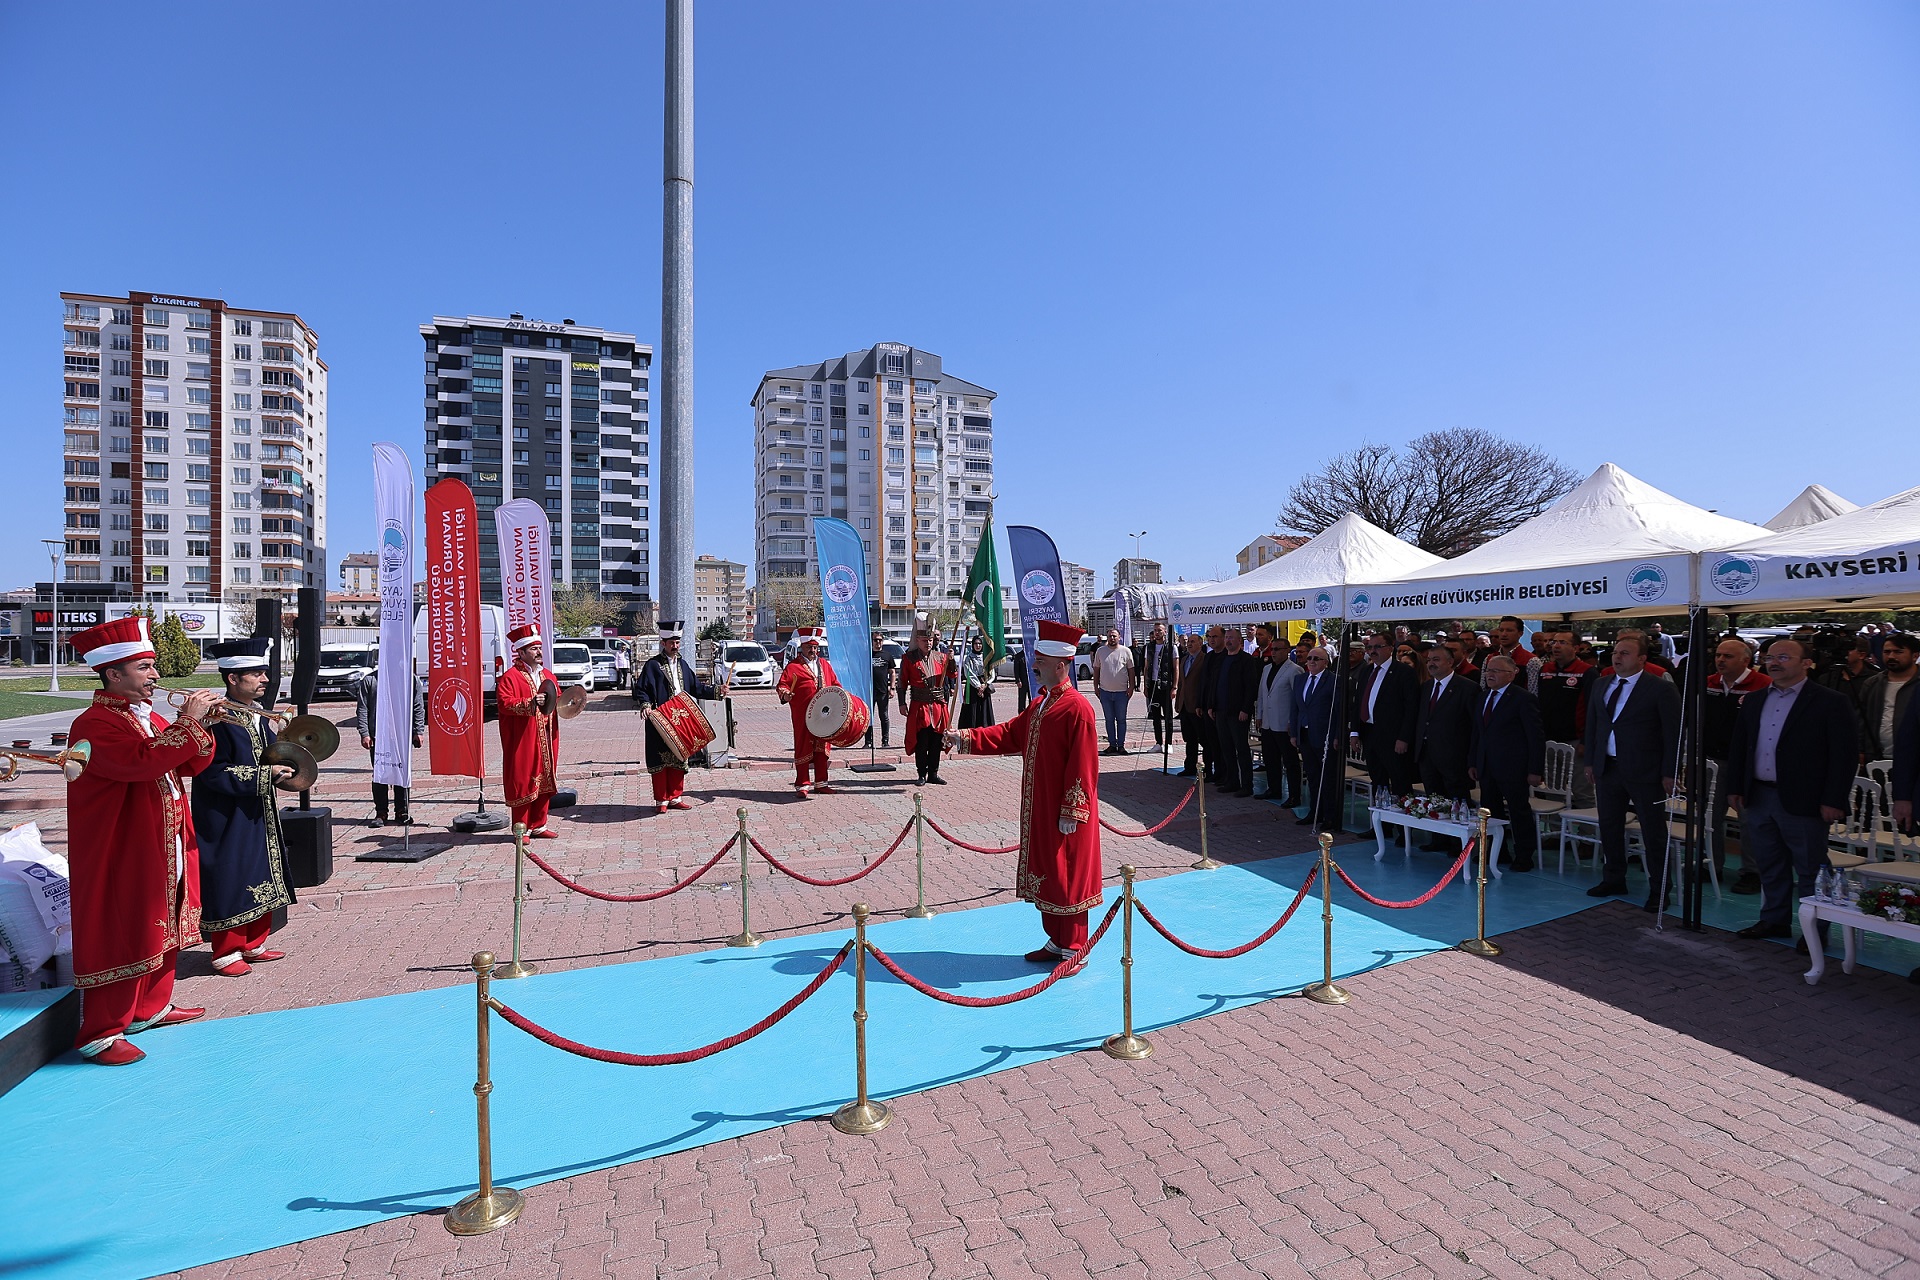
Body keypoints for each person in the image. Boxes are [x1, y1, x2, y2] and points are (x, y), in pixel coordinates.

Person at [64, 616, 218, 1065]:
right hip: (124, 846)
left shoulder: (146, 715)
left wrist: (203, 728)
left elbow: (186, 764)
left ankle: (150, 1008)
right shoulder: (94, 723)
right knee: (124, 929)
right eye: (145, 667)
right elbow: (142, 763)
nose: (155, 675)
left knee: (162, 921)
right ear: (113, 674)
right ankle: (101, 1033)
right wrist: (188, 724)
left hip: (162, 839)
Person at [946, 621, 1101, 968]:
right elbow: (1009, 734)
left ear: (1061, 665)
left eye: (1041, 660)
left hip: (1065, 811)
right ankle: (1057, 940)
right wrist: (964, 737)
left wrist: (1072, 810)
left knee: (1068, 874)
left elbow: (1083, 766)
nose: (1034, 665)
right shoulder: (1041, 703)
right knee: (1049, 872)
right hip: (1041, 805)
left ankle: (1075, 947)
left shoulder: (1077, 708)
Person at [1724, 637, 1856, 941]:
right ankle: (1774, 920)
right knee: (1769, 863)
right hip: (1759, 795)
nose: (1774, 663)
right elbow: (1740, 747)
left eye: (1783, 657)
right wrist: (1736, 786)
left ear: (1806, 663)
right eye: (1770, 657)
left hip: (1805, 798)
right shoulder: (1755, 700)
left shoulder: (1830, 701)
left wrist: (1834, 799)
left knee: (1811, 867)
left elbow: (1844, 756)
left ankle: (1816, 931)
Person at [192, 638, 296, 977]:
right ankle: (226, 951)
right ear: (233, 678)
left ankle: (254, 942)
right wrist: (265, 776)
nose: (265, 679)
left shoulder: (256, 715)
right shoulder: (218, 718)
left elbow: (267, 755)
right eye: (256, 674)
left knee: (260, 870)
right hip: (225, 814)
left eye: (264, 672)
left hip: (255, 808)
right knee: (231, 876)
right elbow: (211, 771)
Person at [1582, 629, 1681, 903]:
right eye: (1615, 652)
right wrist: (1590, 760)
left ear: (1642, 659)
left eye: (1625, 653)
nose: (1617, 657)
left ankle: (1660, 888)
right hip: (1608, 767)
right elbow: (1593, 724)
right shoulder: (1602, 684)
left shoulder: (1660, 688)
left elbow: (1673, 734)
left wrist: (1669, 771)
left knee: (1653, 831)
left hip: (1645, 770)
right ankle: (1614, 878)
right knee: (1610, 826)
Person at [1702, 637, 1770, 894]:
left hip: (1748, 762)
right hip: (1712, 759)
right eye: (1718, 655)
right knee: (1710, 816)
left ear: (1746, 660)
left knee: (1749, 820)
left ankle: (1753, 872)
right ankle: (1711, 864)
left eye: (1727, 656)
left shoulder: (1763, 684)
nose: (1720, 660)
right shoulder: (1708, 683)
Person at [633, 621, 723, 814]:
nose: (675, 646)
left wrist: (717, 691)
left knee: (679, 757)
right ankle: (661, 800)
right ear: (663, 643)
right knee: (660, 760)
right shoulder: (653, 665)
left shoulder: (683, 665)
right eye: (671, 643)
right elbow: (641, 689)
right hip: (659, 719)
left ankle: (675, 798)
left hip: (681, 719)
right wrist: (646, 705)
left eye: (677, 642)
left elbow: (697, 688)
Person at [1470, 654, 1546, 871]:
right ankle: (1497, 852)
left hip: (1513, 766)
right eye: (1488, 670)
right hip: (1487, 765)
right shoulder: (1483, 697)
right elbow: (1477, 733)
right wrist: (1473, 761)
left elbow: (1535, 737)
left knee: (1518, 811)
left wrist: (1535, 769)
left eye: (1496, 671)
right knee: (1490, 811)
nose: (1490, 674)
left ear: (1511, 675)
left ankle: (1524, 855)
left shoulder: (1523, 698)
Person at [497, 622, 561, 837]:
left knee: (546, 779)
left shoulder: (548, 675)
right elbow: (504, 703)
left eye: (539, 648)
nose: (539, 652)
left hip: (546, 738)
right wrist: (530, 703)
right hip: (523, 739)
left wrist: (569, 703)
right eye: (534, 649)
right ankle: (521, 830)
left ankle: (539, 824)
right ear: (521, 652)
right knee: (523, 780)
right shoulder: (510, 677)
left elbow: (557, 699)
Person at [1412, 643, 1476, 850]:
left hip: (1454, 755)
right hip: (1427, 753)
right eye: (1429, 660)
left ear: (1450, 662)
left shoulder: (1467, 688)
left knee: (1457, 799)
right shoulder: (1426, 687)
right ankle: (1438, 839)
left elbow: (1473, 726)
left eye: (1436, 660)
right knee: (1435, 797)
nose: (1431, 664)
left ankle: (1459, 844)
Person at [355, 664, 425, 826]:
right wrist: (364, 733)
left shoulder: (411, 679)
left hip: (402, 736)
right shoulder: (370, 680)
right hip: (378, 736)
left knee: (402, 773)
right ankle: (381, 812)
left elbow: (418, 706)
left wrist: (418, 730)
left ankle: (402, 811)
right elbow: (362, 708)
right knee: (380, 775)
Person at [1351, 630, 1418, 797]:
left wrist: (1404, 738)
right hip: (1369, 733)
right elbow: (1358, 703)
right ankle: (1380, 813)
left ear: (1390, 648)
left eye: (1378, 647)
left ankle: (1403, 813)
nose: (1373, 651)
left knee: (1400, 780)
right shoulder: (1366, 671)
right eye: (1370, 647)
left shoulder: (1404, 672)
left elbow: (1411, 708)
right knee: (1378, 780)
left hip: (1394, 737)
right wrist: (1354, 732)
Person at [776, 626, 841, 797]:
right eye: (809, 647)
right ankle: (802, 784)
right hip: (803, 715)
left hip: (824, 715)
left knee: (822, 748)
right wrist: (786, 694)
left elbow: (835, 684)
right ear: (802, 647)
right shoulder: (793, 667)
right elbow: (782, 685)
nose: (813, 651)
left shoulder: (825, 665)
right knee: (803, 746)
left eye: (815, 647)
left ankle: (821, 783)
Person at [898, 614, 957, 785]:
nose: (928, 643)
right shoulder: (909, 659)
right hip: (920, 706)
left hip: (938, 706)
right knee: (922, 742)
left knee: (937, 742)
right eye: (924, 640)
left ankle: (933, 773)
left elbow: (952, 674)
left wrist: (951, 660)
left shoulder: (941, 657)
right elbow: (902, 682)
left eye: (930, 640)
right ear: (918, 640)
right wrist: (902, 703)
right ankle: (921, 774)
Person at [1203, 627, 1261, 795]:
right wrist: (1211, 705)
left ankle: (1247, 785)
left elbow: (1251, 687)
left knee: (1241, 749)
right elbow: (1214, 684)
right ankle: (1232, 781)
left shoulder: (1246, 660)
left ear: (1239, 641)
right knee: (1226, 748)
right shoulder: (1221, 659)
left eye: (1231, 638)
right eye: (1227, 637)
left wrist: (1245, 709)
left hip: (1238, 713)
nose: (1228, 640)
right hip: (1221, 711)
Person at [1290, 645, 1337, 828]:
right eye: (1309, 658)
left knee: (1327, 778)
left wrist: (1336, 736)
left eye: (1316, 659)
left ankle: (1330, 816)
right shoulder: (1300, 679)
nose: (1311, 661)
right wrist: (1294, 733)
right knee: (1312, 776)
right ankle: (1315, 811)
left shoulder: (1333, 681)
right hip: (1305, 734)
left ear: (1326, 662)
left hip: (1324, 736)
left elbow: (1338, 711)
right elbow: (1295, 708)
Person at [1253, 631, 1302, 806]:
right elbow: (1262, 694)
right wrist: (1259, 715)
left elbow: (1297, 699)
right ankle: (1274, 789)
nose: (1273, 652)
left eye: (1278, 649)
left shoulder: (1294, 670)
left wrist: (1292, 722)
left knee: (1290, 761)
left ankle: (1295, 795)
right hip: (1268, 722)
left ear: (1287, 650)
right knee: (1270, 758)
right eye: (1272, 649)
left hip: (1284, 723)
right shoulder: (1267, 668)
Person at [1856, 631, 1918, 761]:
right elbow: (1861, 720)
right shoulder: (1872, 684)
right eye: (1887, 652)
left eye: (1898, 652)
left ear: (1915, 656)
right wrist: (1860, 749)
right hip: (1877, 758)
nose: (1891, 656)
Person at [1090, 627, 1136, 754]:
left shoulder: (1126, 651)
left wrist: (1131, 687)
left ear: (1119, 637)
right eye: (1110, 636)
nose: (1112, 638)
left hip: (1122, 693)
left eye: (1114, 636)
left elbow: (1131, 671)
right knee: (1109, 720)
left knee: (1121, 720)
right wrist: (1096, 687)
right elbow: (1096, 670)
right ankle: (1112, 744)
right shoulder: (1100, 651)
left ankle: (1121, 745)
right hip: (1105, 692)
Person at [1174, 633, 1211, 779]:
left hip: (1197, 706)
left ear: (1200, 644)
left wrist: (1201, 703)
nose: (1189, 644)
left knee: (1204, 739)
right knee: (1189, 739)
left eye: (1193, 641)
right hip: (1185, 705)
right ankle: (1189, 767)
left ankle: (1208, 769)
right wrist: (1178, 701)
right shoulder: (1184, 659)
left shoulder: (1205, 659)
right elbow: (1181, 683)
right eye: (1188, 641)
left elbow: (1205, 684)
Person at [1141, 623, 1178, 752]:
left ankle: (1168, 743)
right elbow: (1146, 667)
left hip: (1166, 685)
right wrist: (1146, 685)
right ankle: (1158, 742)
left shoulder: (1171, 647)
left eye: (1160, 630)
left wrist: (1174, 686)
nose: (1157, 633)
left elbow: (1176, 667)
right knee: (1155, 716)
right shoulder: (1149, 647)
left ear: (1165, 632)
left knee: (1168, 716)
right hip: (1153, 685)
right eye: (1155, 630)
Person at [959, 635, 996, 730]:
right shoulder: (969, 658)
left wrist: (985, 684)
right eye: (976, 643)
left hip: (985, 685)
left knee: (984, 708)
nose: (978, 645)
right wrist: (978, 686)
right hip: (972, 686)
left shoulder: (986, 657)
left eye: (980, 643)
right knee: (973, 708)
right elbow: (969, 673)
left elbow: (991, 672)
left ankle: (985, 728)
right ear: (972, 645)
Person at [865, 631, 895, 749]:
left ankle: (885, 741)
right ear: (872, 641)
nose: (878, 642)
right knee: (869, 717)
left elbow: (892, 672)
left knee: (884, 716)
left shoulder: (887, 655)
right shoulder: (867, 655)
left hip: (883, 691)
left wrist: (892, 688)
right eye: (875, 640)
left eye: (880, 640)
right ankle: (868, 742)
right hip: (870, 692)